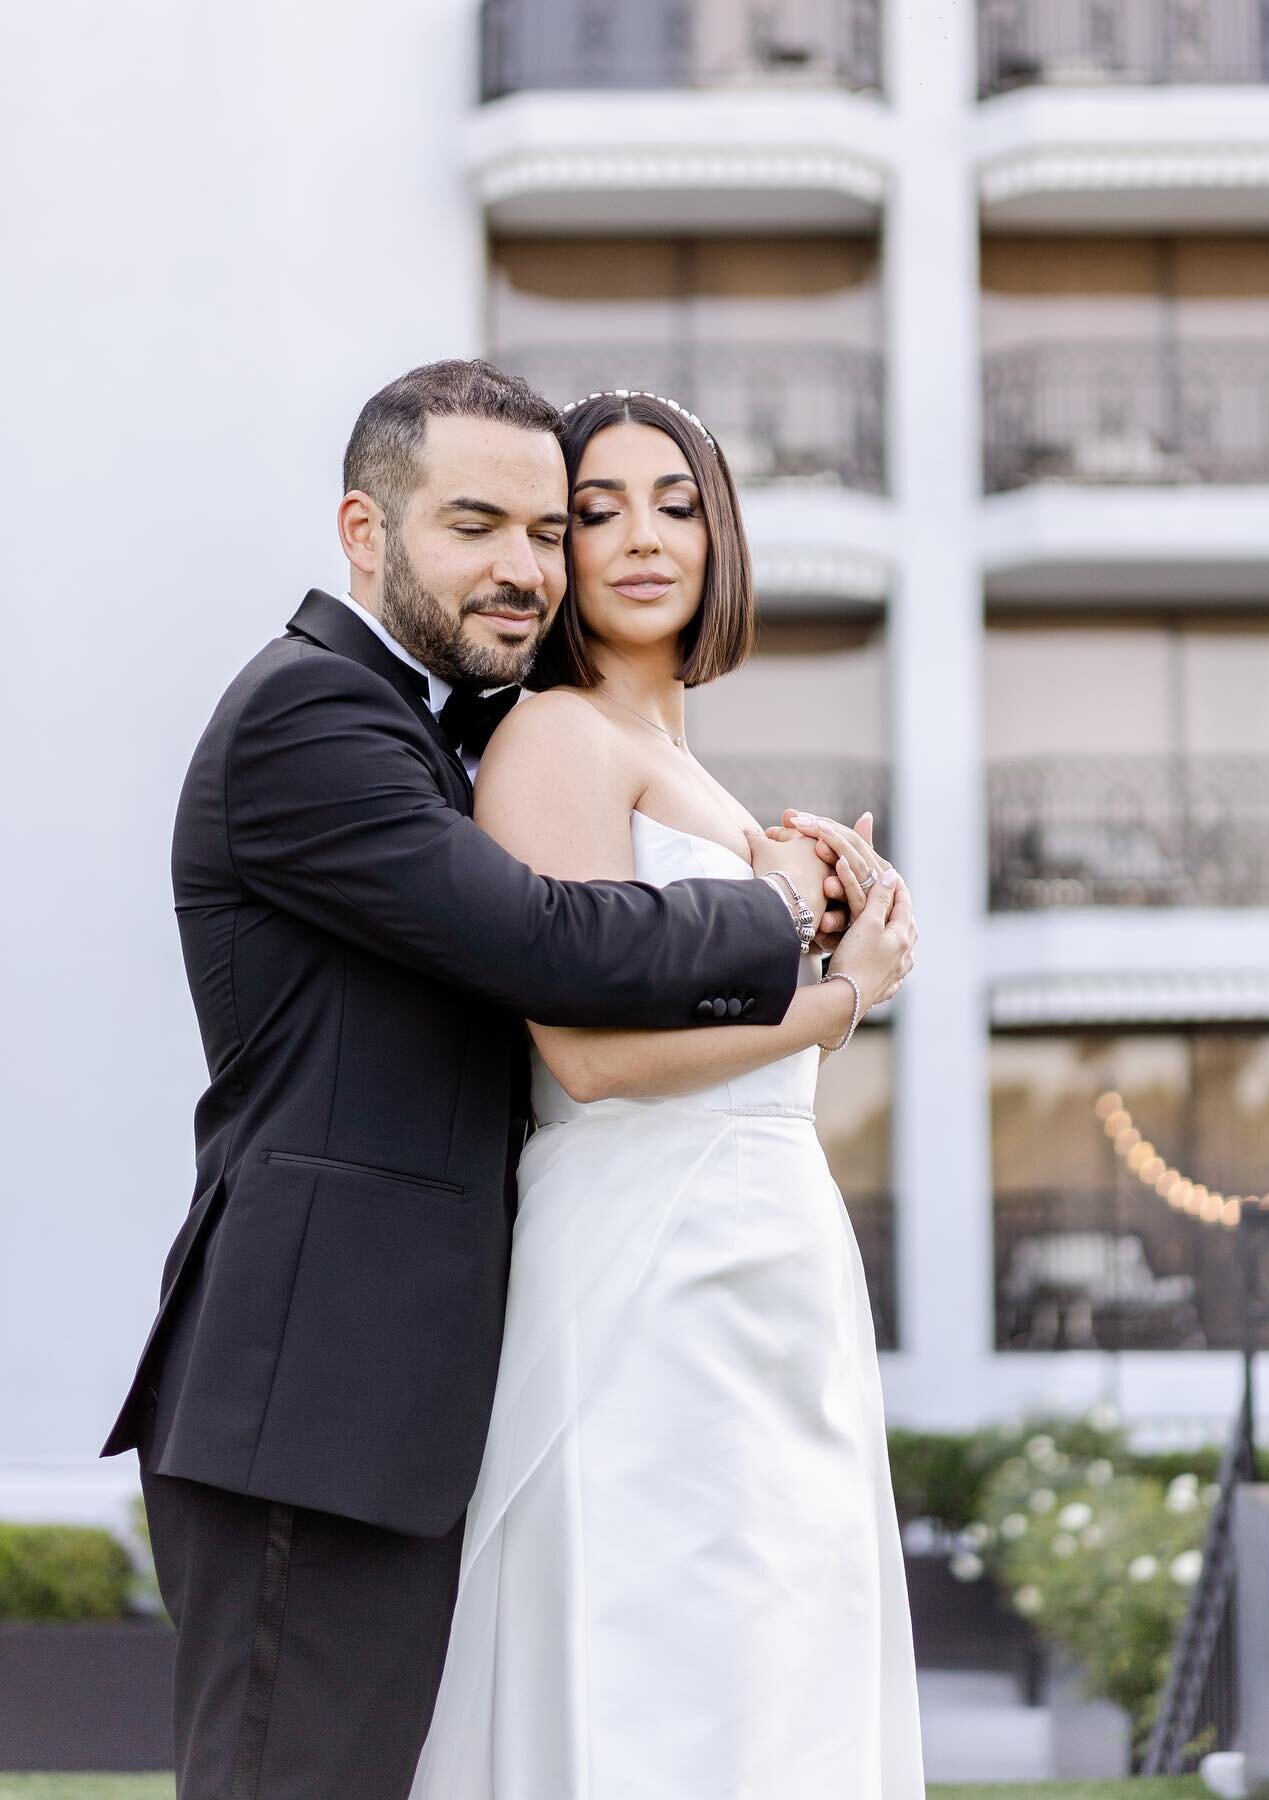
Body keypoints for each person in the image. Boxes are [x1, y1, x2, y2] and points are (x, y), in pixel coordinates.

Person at [100, 361, 861, 1800]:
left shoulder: (439, 737)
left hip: (402, 1403)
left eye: (538, 533)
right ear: (365, 531)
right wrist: (778, 913)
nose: (523, 568)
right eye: (475, 526)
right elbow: (547, 940)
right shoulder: (306, 718)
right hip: (308, 1399)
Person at [409, 389, 924, 1799]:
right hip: (647, 1258)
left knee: (773, 1672)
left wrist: (827, 930)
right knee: (657, 1672)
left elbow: (720, 1028)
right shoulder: (554, 738)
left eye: (675, 503)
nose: (642, 537)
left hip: (769, 1251)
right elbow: (589, 1056)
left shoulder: (699, 773)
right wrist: (847, 993)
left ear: (721, 536)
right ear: (555, 552)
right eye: (597, 510)